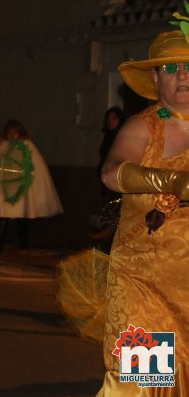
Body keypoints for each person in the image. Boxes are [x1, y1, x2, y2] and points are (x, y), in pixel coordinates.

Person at [97, 28, 189, 395]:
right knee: (145, 383)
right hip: (143, 286)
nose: (183, 75)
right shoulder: (143, 126)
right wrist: (173, 182)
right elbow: (111, 172)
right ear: (155, 77)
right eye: (170, 67)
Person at [0, 119, 62, 252]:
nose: (12, 136)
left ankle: (23, 244)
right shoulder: (1, 146)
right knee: (3, 217)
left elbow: (36, 166)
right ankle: (0, 246)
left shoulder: (27, 146)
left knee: (22, 216)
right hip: (4, 188)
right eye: (10, 133)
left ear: (20, 134)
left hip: (21, 187)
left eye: (15, 133)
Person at [98, 106, 125, 205]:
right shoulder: (108, 136)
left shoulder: (120, 137)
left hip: (116, 177)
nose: (110, 121)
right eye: (108, 118)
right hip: (106, 174)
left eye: (114, 118)